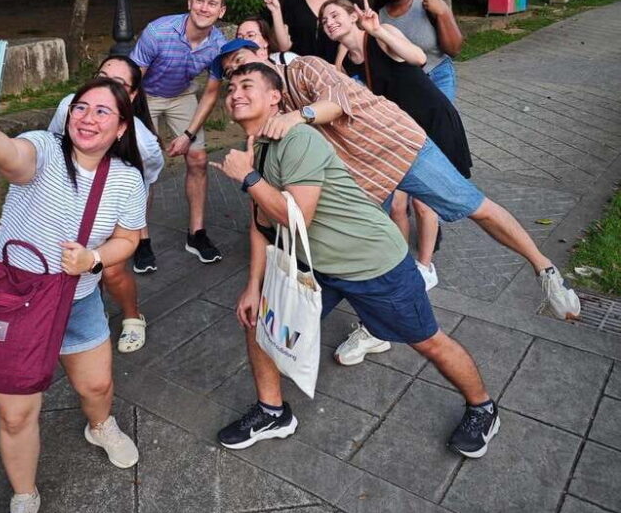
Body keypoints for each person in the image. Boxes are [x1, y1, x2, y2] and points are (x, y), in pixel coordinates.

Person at [213, 40, 580, 363]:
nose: (238, 75)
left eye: (243, 65)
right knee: (370, 244)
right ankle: (375, 329)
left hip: (396, 147)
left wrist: (299, 115)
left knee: (472, 205)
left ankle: (544, 269)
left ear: (262, 53)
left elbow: (337, 101)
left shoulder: (303, 68)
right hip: (358, 173)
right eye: (232, 74)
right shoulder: (264, 107)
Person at [211, 62, 500, 459]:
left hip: (373, 263)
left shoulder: (298, 140)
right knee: (261, 324)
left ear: (275, 97)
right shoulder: (257, 148)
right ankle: (272, 411)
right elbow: (261, 225)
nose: (235, 93)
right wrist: (253, 286)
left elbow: (296, 217)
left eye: (247, 85)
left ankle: (482, 407)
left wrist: (248, 179)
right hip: (318, 267)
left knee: (427, 342)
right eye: (230, 89)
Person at [0, 76, 147, 513]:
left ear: (122, 126)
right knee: (16, 413)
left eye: (103, 112)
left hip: (76, 302)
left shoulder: (126, 178)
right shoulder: (41, 149)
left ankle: (99, 426)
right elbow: (7, 154)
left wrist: (95, 259)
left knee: (97, 388)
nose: (89, 118)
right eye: (82, 107)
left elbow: (128, 239)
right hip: (12, 300)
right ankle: (24, 499)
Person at [320, 0, 474, 291]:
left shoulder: (383, 34)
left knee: (424, 201)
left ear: (354, 16)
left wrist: (377, 30)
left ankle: (426, 267)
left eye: (335, 15)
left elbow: (418, 58)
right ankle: (401, 263)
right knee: (397, 205)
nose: (329, 23)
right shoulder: (347, 60)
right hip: (401, 132)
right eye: (325, 20)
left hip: (431, 120)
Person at [49, 55, 163, 353]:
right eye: (101, 76)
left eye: (118, 84)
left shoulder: (145, 144)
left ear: (133, 95)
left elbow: (146, 182)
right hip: (69, 197)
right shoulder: (70, 107)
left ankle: (132, 316)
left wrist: (130, 226)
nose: (105, 87)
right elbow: (52, 145)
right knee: (71, 263)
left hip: (116, 202)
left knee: (110, 269)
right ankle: (84, 313)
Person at [130, 0, 227, 263]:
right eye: (199, 0)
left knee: (198, 159)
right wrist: (142, 128)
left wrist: (188, 134)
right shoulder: (158, 31)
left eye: (212, 3)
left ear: (221, 11)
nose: (204, 7)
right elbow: (134, 82)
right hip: (145, 94)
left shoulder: (219, 44)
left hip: (182, 94)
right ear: (189, 2)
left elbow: (210, 94)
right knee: (141, 163)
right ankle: (140, 237)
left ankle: (196, 233)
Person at [372, 0, 463, 102]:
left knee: (443, 123)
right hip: (405, 82)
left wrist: (443, 13)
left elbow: (454, 50)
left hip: (438, 75)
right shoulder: (377, 16)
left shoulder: (428, 5)